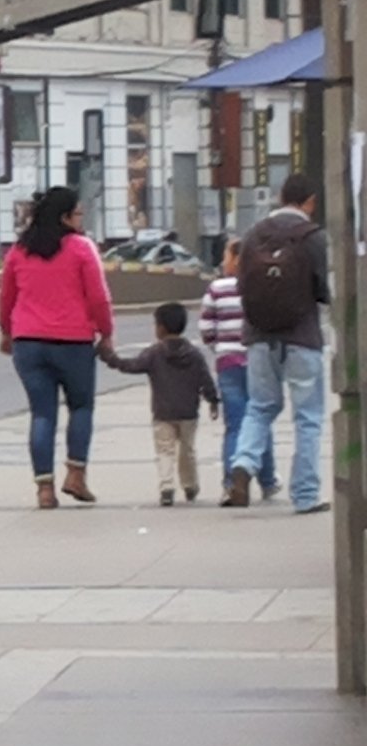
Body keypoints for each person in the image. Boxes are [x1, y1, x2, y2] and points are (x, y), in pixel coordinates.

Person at [0, 186, 115, 509]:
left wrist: (7, 332)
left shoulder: (20, 251)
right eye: (78, 213)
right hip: (73, 342)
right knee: (80, 407)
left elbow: (5, 297)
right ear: (65, 217)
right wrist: (105, 333)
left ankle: (44, 489)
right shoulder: (81, 248)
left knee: (41, 414)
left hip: (28, 343)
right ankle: (76, 475)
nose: (81, 219)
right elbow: (98, 297)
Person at [225, 174, 331, 513]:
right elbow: (325, 290)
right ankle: (304, 495)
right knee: (308, 417)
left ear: (280, 197)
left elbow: (241, 284)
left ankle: (242, 464)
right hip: (302, 339)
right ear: (310, 201)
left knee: (260, 407)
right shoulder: (313, 238)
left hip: (258, 338)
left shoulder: (255, 233)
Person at [101, 302, 219, 506]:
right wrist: (213, 400)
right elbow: (205, 379)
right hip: (189, 412)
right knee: (187, 450)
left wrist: (111, 358)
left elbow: (132, 366)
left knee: (165, 450)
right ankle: (190, 485)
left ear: (161, 328)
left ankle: (166, 487)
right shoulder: (194, 354)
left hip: (163, 411)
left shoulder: (154, 353)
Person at [199, 238, 279, 504]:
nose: (223, 261)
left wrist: (219, 346)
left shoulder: (217, 288)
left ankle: (231, 483)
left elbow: (206, 328)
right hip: (258, 359)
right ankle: (267, 480)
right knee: (260, 418)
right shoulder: (262, 285)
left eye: (225, 256)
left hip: (228, 364)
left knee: (235, 424)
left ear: (235, 259)